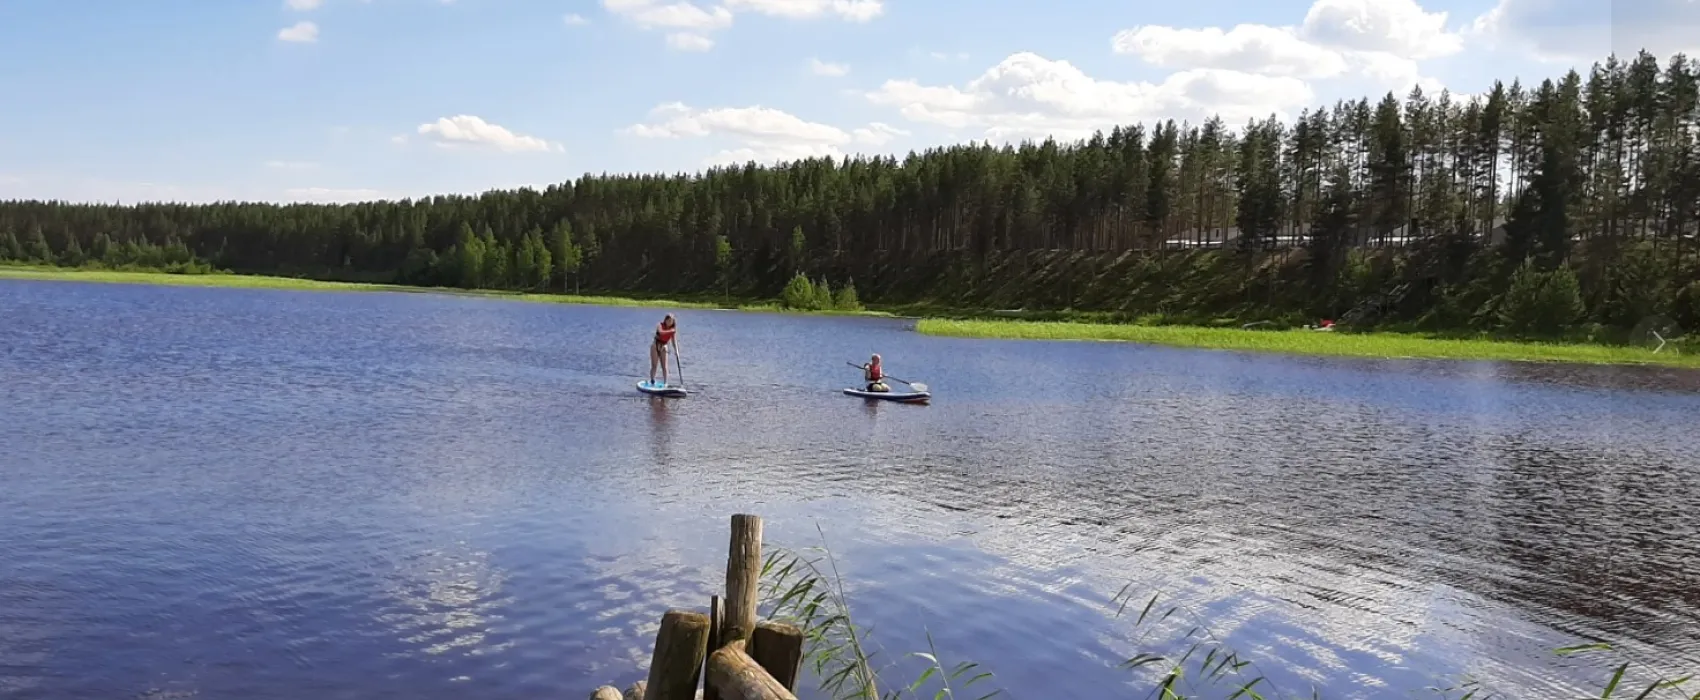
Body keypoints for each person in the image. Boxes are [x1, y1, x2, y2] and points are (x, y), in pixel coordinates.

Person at [649, 313, 678, 385]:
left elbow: (673, 341)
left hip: (664, 346)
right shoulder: (660, 325)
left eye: (671, 321)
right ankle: (652, 381)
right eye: (668, 320)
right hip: (655, 346)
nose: (669, 322)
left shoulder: (672, 330)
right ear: (665, 320)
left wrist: (676, 351)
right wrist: (671, 331)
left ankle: (665, 383)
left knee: (665, 366)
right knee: (654, 366)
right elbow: (661, 332)